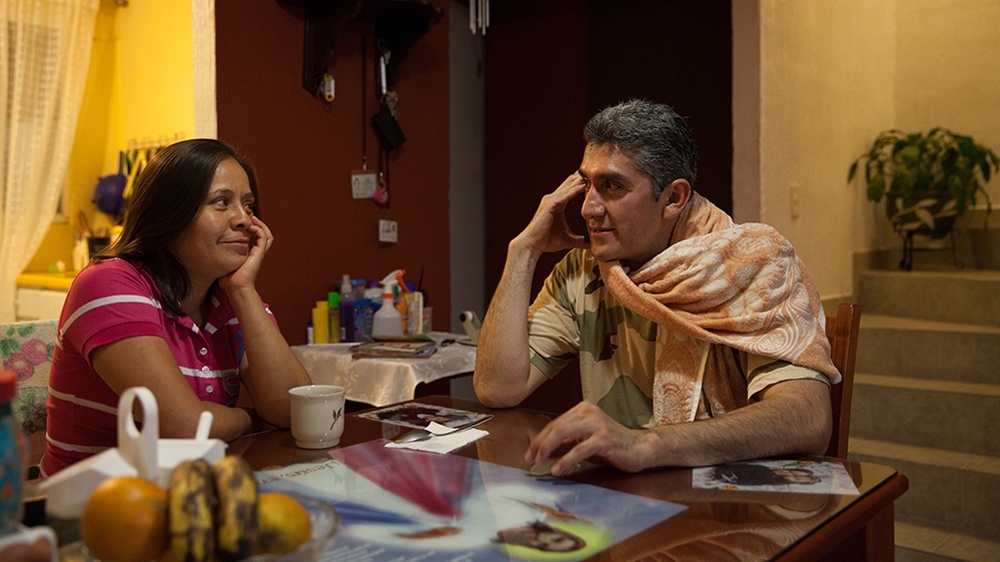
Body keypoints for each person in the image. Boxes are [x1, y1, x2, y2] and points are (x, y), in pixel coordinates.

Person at [473, 99, 840, 477]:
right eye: (587, 185)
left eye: (612, 186)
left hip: (729, 507)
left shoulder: (752, 266)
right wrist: (523, 252)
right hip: (628, 504)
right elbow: (498, 388)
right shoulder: (585, 270)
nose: (587, 208)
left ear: (674, 198)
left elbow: (807, 417)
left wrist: (647, 444)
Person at [41, 139, 311, 475]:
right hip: (92, 509)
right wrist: (250, 418)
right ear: (170, 214)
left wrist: (243, 290)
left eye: (249, 206)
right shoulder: (108, 284)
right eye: (222, 202)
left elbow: (296, 411)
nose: (244, 220)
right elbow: (183, 428)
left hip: (183, 495)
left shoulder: (231, 298)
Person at [709, 464, 821, 487]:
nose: (789, 474)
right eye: (793, 472)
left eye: (795, 478)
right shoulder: (766, 468)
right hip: (753, 470)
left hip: (750, 478)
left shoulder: (775, 481)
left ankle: (717, 475)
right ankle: (718, 472)